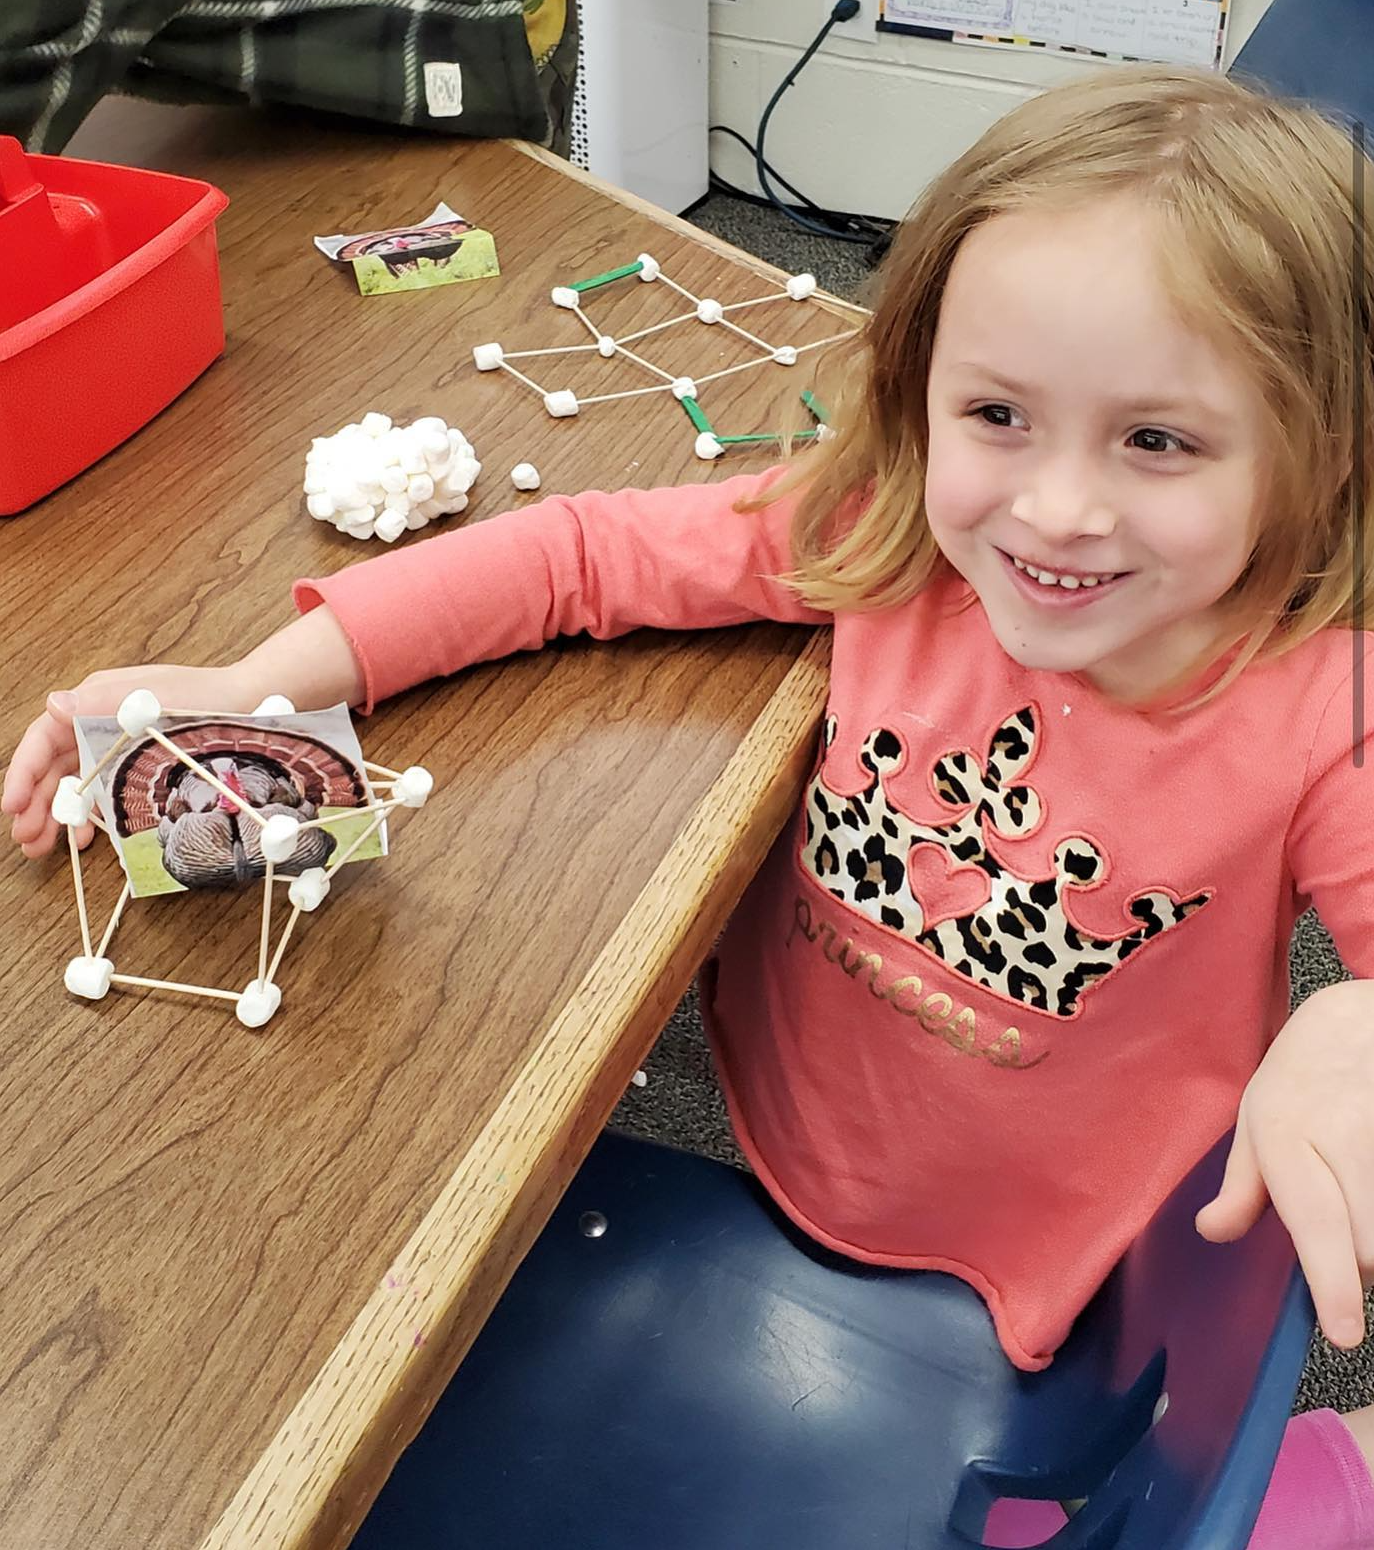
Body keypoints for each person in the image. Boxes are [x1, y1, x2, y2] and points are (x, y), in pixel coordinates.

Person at [6, 62, 1374, 1546]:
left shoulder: (1324, 712)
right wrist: (258, 685)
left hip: (1040, 1298)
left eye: (1155, 440)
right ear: (918, 389)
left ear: (1320, 449)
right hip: (776, 1148)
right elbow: (570, 557)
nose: (1053, 509)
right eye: (995, 412)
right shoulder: (890, 528)